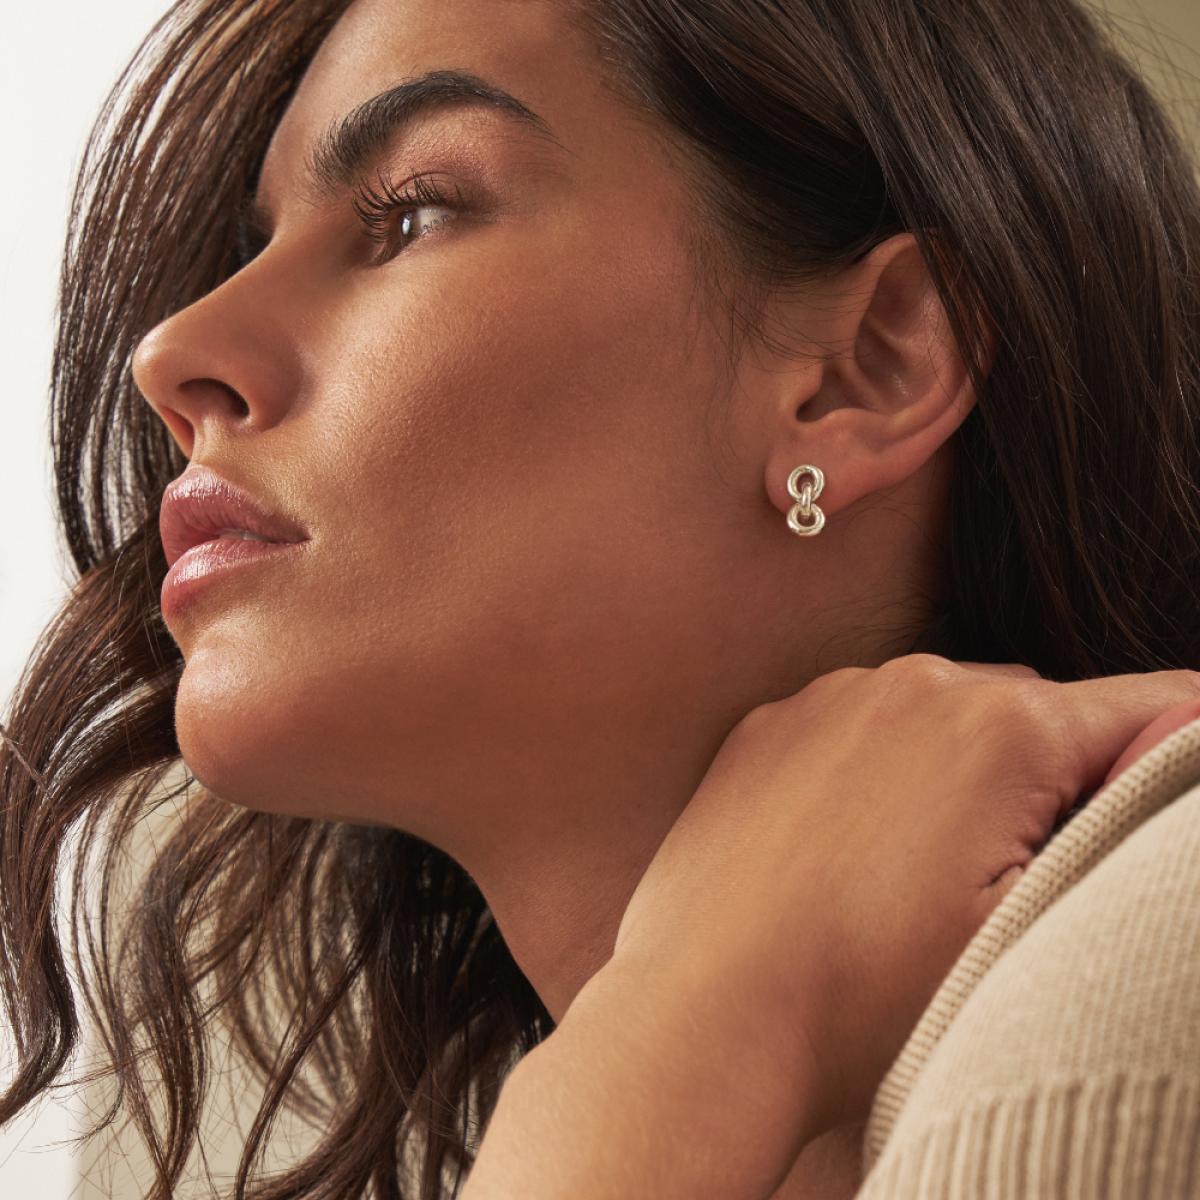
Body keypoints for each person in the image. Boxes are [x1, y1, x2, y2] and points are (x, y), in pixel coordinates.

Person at [1, 0, 1198, 1196]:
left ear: (866, 367)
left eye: (410, 212)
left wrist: (703, 1021)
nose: (173, 354)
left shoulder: (1154, 979)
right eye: (253, 247)